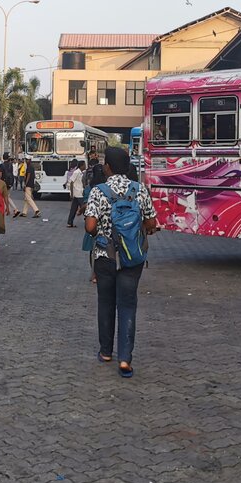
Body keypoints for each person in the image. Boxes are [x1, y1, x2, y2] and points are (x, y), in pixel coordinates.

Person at [85, 146, 158, 379]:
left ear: (107, 167)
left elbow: (89, 227)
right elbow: (151, 223)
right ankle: (125, 359)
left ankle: (106, 352)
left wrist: (102, 230)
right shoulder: (139, 190)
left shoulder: (98, 191)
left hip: (105, 257)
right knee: (127, 305)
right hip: (131, 258)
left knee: (106, 303)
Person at [66, 160, 87, 227]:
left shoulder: (81, 172)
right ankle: (88, 221)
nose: (85, 166)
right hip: (78, 193)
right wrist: (71, 194)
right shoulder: (76, 172)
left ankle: (70, 222)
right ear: (81, 166)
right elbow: (71, 182)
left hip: (79, 193)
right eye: (84, 165)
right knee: (84, 208)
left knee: (73, 209)